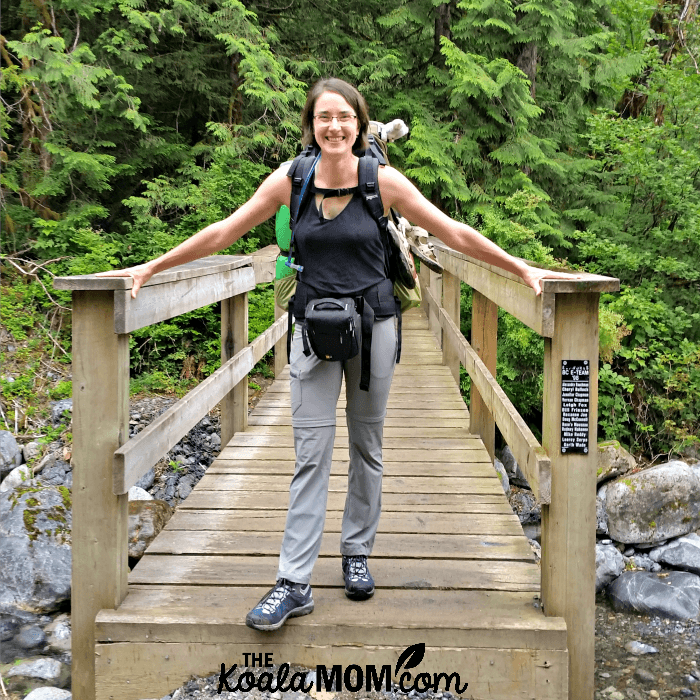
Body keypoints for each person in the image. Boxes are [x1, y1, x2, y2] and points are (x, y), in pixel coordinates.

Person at [96, 77, 576, 632]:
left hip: (376, 330)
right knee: (310, 454)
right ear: (312, 124)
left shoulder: (383, 181)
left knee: (367, 447)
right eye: (324, 117)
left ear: (360, 124)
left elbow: (451, 231)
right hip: (312, 332)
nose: (334, 126)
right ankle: (293, 581)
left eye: (344, 117)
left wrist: (522, 268)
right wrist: (150, 268)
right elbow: (225, 231)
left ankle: (356, 553)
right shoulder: (292, 180)